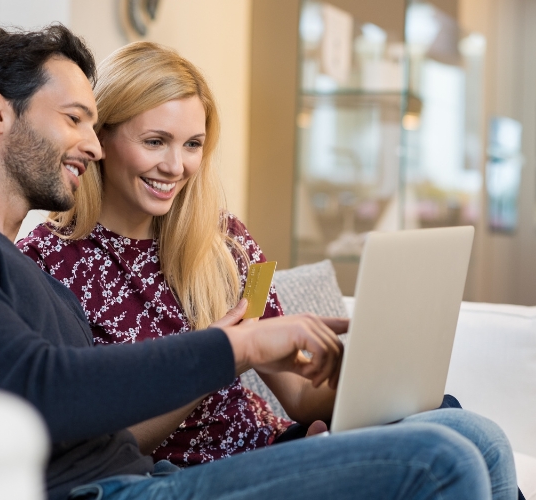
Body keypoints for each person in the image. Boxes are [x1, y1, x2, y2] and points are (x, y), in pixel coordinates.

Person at [0, 24, 518, 500]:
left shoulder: (23, 274)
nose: (94, 148)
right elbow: (39, 393)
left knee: (471, 437)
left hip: (140, 479)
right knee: (440, 459)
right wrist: (235, 345)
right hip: (108, 489)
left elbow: (78, 399)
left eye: (191, 144)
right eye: (76, 120)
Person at [17, 42, 337, 467]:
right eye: (155, 141)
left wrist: (356, 377)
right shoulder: (45, 263)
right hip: (185, 478)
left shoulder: (229, 241)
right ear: (100, 138)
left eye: (192, 145)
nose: (175, 166)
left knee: (447, 419)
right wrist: (217, 356)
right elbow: (100, 448)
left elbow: (298, 395)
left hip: (277, 448)